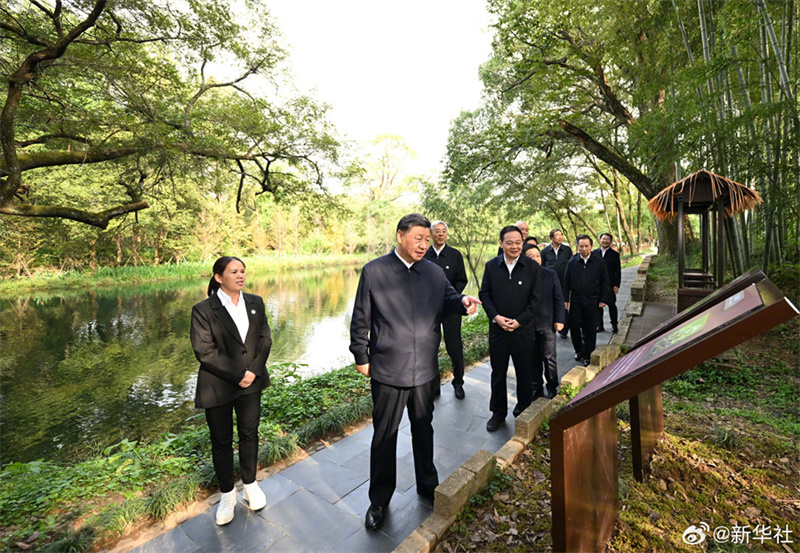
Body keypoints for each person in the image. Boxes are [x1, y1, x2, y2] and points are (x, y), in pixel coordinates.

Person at [349, 213, 481, 531]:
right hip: (387, 368)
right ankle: (379, 500)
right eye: (418, 238)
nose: (424, 244)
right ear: (400, 236)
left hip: (423, 367)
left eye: (427, 238)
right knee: (385, 436)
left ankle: (427, 485)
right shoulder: (375, 271)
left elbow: (449, 299)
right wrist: (360, 355)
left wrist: (462, 301)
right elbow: (360, 318)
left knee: (424, 429)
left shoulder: (434, 273)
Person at [190, 256, 272, 526]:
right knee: (221, 441)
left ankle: (250, 485)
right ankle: (227, 495)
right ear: (218, 277)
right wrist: (239, 374)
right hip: (218, 385)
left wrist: (253, 371)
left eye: (243, 271)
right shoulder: (203, 310)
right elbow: (205, 352)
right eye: (234, 271)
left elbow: (264, 339)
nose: (240, 276)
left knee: (250, 434)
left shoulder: (255, 302)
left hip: (252, 383)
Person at [479, 226, 540, 432]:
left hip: (523, 331)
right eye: (509, 242)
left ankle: (523, 407)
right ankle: (498, 412)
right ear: (501, 244)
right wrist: (496, 318)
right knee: (498, 372)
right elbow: (484, 295)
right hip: (498, 331)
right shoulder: (491, 266)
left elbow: (536, 300)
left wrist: (519, 321)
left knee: (524, 372)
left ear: (522, 243)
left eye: (518, 242)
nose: (514, 246)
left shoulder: (532, 266)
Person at [424, 221, 469, 399]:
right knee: (430, 348)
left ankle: (458, 383)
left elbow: (462, 280)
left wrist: (452, 299)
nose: (441, 234)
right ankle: (434, 386)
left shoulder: (455, 255)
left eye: (444, 231)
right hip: (429, 310)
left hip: (451, 309)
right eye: (437, 231)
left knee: (454, 347)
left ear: (446, 234)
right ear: (431, 234)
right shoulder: (424, 254)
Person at [562, 235, 613, 366]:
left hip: (593, 301)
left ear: (591, 246)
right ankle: (578, 350)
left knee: (590, 328)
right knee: (574, 327)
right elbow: (566, 282)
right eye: (581, 246)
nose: (584, 249)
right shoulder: (572, 262)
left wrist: (604, 299)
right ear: (577, 247)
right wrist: (565, 299)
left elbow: (605, 282)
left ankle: (587, 354)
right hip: (576, 301)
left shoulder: (599, 262)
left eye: (586, 246)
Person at [523, 244, 566, 398]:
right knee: (533, 358)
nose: (535, 259)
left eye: (537, 255)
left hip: (547, 323)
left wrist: (560, 319)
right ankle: (537, 387)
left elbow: (558, 298)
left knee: (549, 358)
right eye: (530, 256)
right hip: (528, 325)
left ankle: (552, 386)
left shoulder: (550, 274)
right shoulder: (520, 275)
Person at [540, 229, 573, 339]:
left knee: (564, 304)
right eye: (557, 235)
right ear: (551, 238)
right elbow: (542, 267)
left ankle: (564, 329)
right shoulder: (545, 251)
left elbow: (571, 264)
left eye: (561, 235)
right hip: (550, 282)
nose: (560, 237)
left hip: (564, 282)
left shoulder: (567, 250)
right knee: (551, 304)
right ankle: (551, 325)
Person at [594, 233, 622, 333]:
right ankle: (599, 325)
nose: (605, 241)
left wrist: (617, 285)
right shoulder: (594, 253)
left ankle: (614, 324)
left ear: (610, 241)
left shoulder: (614, 254)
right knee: (598, 306)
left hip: (609, 285)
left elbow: (617, 271)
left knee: (611, 305)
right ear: (600, 240)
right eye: (603, 239)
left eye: (608, 239)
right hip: (596, 284)